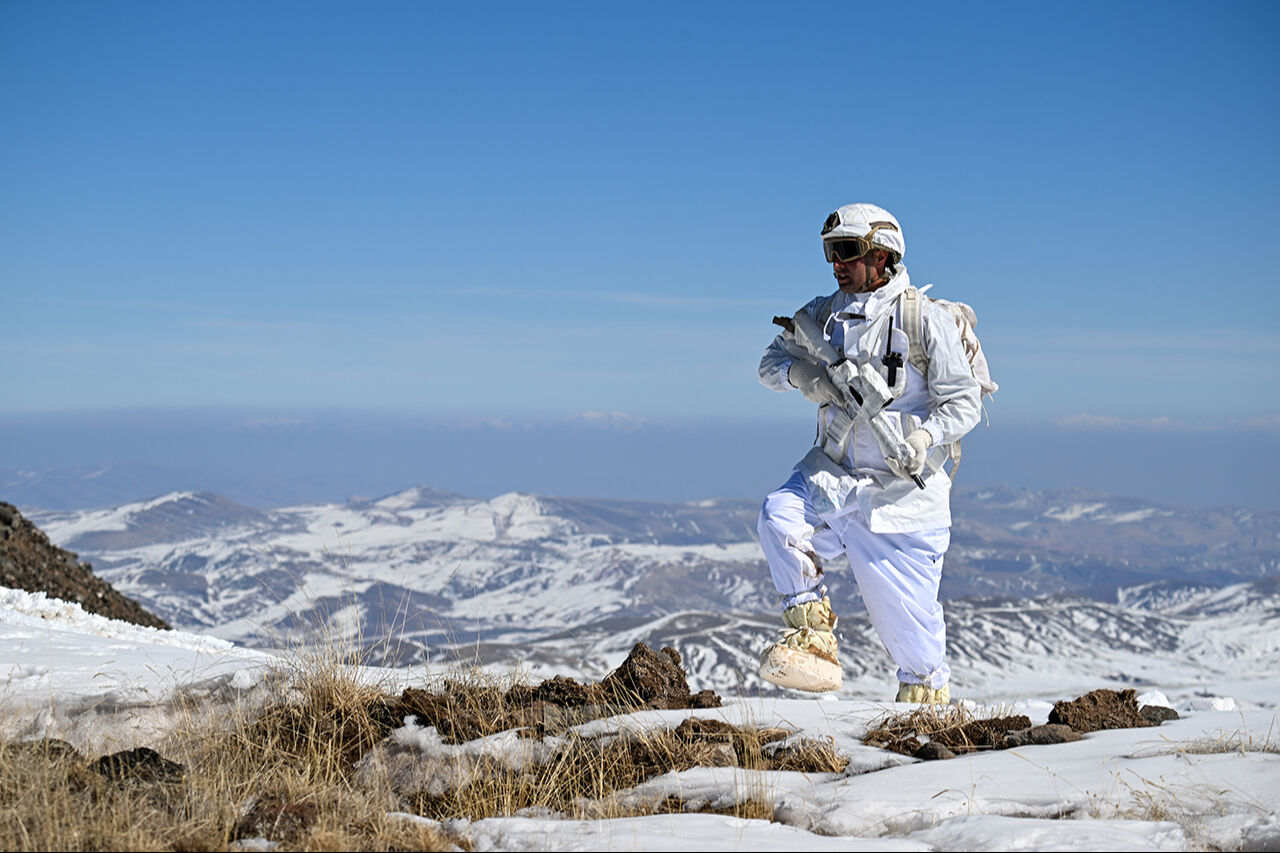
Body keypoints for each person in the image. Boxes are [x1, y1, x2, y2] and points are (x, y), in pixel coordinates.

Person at [755, 202, 981, 703]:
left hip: (902, 502)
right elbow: (770, 361)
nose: (837, 263)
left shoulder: (924, 321)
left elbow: (964, 403)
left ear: (883, 255)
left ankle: (925, 734)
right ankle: (813, 640)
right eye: (830, 251)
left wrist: (924, 439)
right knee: (780, 516)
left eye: (847, 251)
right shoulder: (823, 314)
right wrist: (805, 375)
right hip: (835, 479)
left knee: (918, 660)